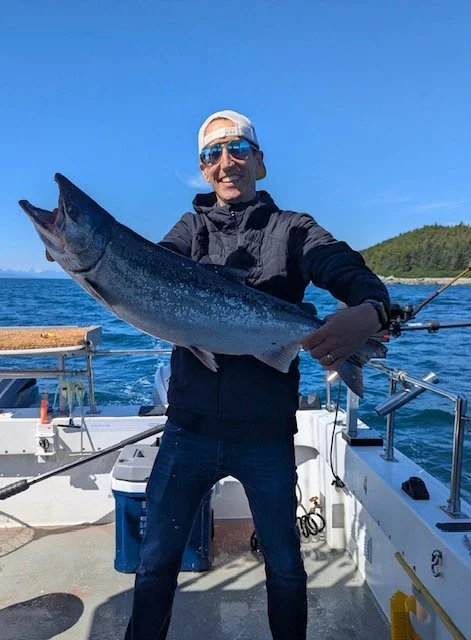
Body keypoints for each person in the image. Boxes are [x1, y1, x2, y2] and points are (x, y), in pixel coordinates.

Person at [124, 110, 390, 640]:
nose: (226, 163)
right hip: (189, 429)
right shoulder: (189, 229)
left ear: (260, 162)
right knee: (155, 563)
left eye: (238, 149)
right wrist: (85, 256)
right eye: (212, 154)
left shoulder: (293, 230)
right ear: (203, 170)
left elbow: (341, 264)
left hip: (266, 433)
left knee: (286, 567)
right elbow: (147, 269)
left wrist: (372, 307)